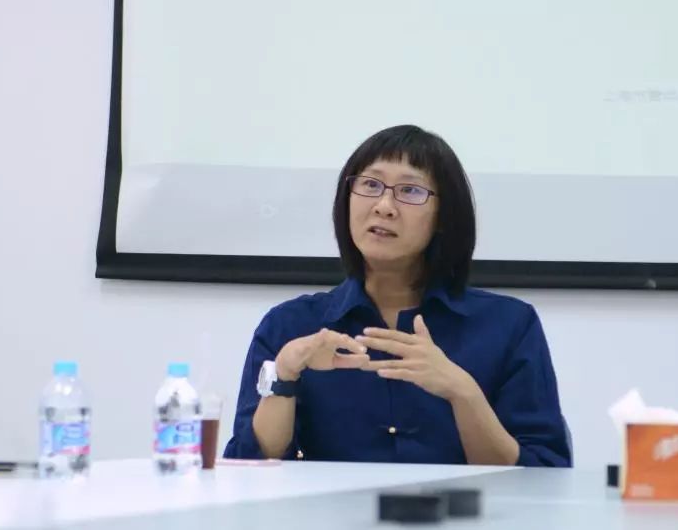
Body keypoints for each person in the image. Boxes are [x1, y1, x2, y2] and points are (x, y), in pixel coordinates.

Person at [223, 125, 571, 467]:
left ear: (443, 216)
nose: (384, 206)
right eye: (371, 185)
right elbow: (248, 470)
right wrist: (284, 374)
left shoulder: (508, 326)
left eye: (410, 191)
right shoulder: (291, 325)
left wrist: (462, 392)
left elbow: (542, 475)